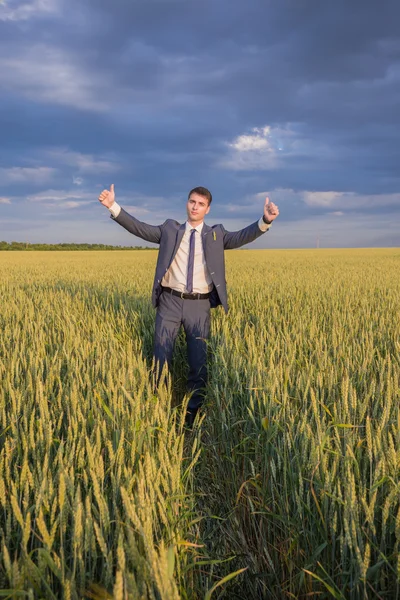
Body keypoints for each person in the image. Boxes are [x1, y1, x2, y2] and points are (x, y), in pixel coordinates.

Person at [98, 185, 279, 428]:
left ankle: (192, 414)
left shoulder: (217, 234)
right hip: (169, 302)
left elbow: (241, 236)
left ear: (208, 209)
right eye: (192, 202)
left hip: (199, 305)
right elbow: (140, 228)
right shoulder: (169, 229)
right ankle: (159, 406)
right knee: (160, 357)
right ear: (187, 203)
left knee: (198, 361)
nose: (195, 207)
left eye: (200, 204)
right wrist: (113, 206)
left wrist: (265, 220)